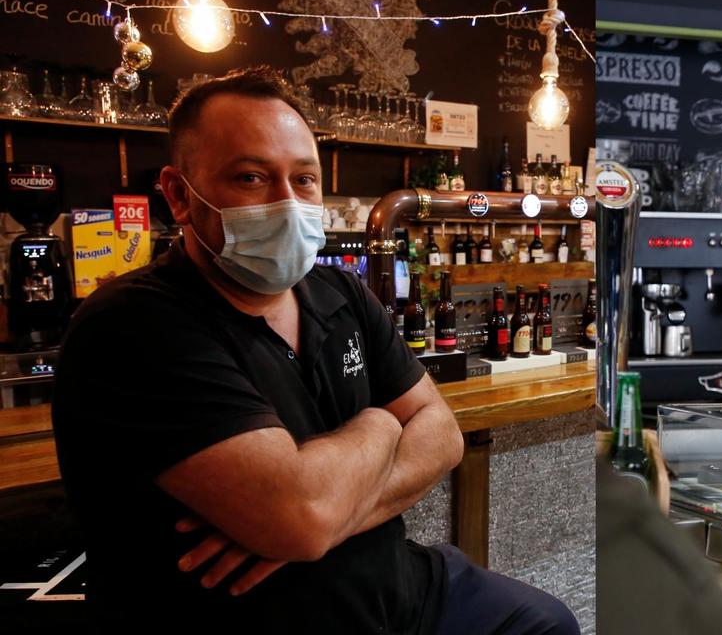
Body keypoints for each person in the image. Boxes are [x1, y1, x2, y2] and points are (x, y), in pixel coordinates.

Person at [51, 66, 579, 635]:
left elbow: (441, 435)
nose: (287, 202)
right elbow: (301, 515)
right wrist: (379, 424)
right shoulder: (135, 324)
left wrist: (328, 520)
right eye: (252, 178)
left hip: (398, 589)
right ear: (180, 195)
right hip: (250, 620)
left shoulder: (339, 293)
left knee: (546, 624)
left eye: (303, 180)